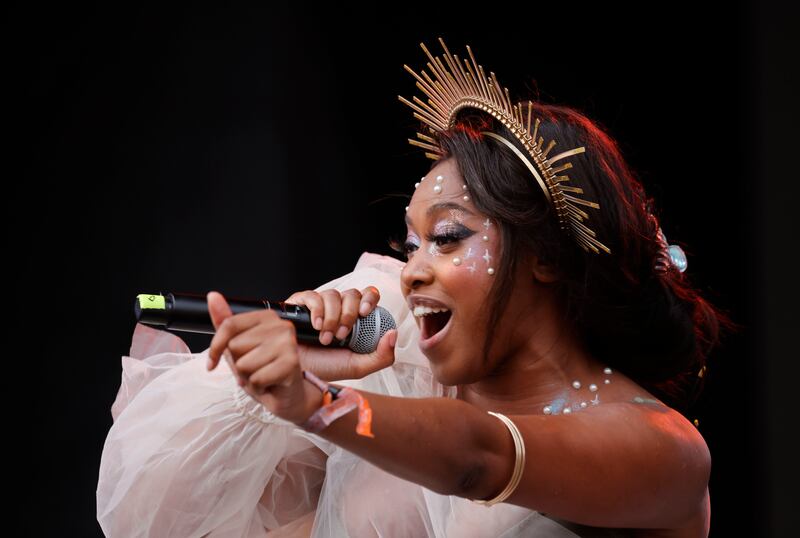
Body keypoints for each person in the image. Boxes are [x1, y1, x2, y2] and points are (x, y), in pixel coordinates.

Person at [97, 38, 735, 537]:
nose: (412, 271)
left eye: (449, 238)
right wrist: (295, 386)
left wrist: (321, 406)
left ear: (543, 255)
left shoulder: (663, 449)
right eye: (409, 245)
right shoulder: (392, 396)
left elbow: (476, 458)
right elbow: (178, 518)